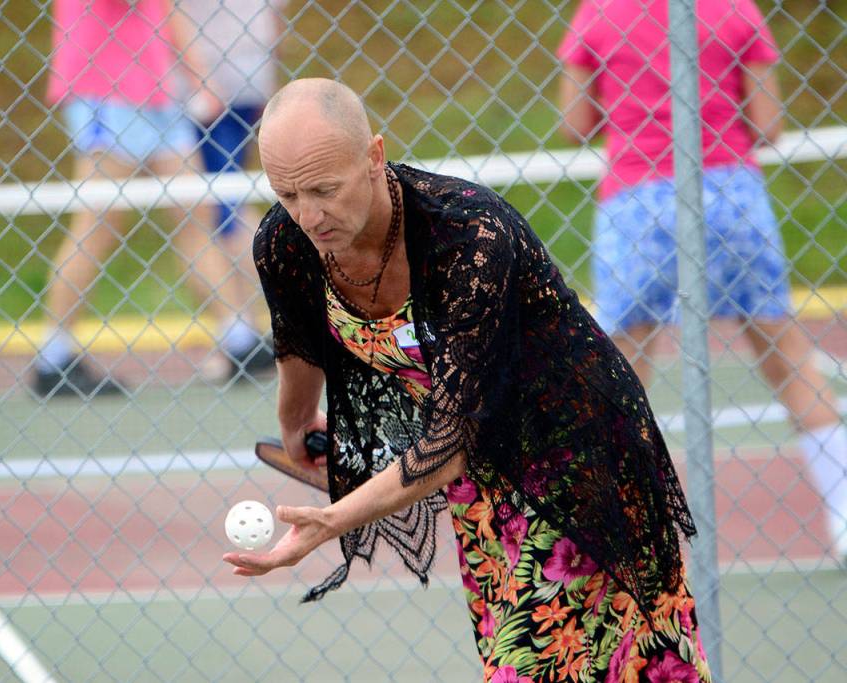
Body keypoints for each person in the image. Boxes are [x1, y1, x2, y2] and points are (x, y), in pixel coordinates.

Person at [224, 78, 713, 682]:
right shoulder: (285, 243)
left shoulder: (469, 237)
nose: (308, 214)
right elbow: (300, 340)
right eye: (288, 193)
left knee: (554, 666)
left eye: (325, 189)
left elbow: (452, 439)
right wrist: (296, 426)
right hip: (484, 487)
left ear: (375, 157)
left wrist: (333, 520)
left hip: (575, 455)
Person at [556, 0, 847, 564]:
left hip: (638, 200)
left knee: (624, 378)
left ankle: (613, 536)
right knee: (787, 358)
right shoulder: (737, 8)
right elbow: (767, 124)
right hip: (729, 191)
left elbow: (575, 125)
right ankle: (845, 510)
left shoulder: (598, 12)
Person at [35, 0, 266, 398]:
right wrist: (199, 75)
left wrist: (196, 76)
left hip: (156, 89)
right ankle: (53, 356)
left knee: (195, 211)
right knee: (99, 225)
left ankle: (239, 339)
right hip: (106, 87)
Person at [178, 0, 289, 378]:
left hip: (211, 87)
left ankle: (250, 331)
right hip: (247, 79)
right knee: (224, 206)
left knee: (221, 213)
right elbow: (274, 23)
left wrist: (200, 82)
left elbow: (171, 16)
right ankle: (244, 331)